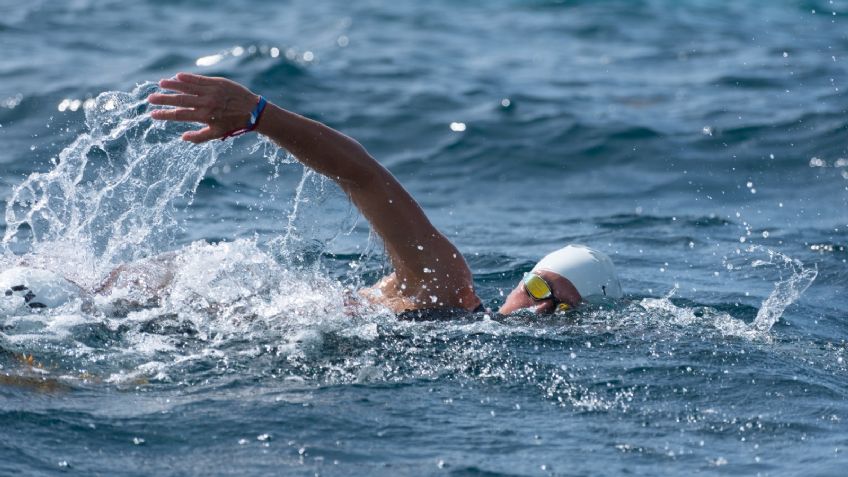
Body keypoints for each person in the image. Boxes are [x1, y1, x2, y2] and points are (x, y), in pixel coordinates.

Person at [1, 73, 622, 317]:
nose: (540, 310)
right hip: (173, 314)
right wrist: (260, 115)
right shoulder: (446, 290)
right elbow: (363, 176)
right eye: (542, 289)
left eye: (562, 310)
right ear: (522, 280)